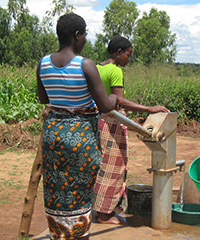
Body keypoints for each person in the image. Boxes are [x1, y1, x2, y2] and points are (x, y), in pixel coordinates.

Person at [37, 13, 117, 240]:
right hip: (80, 138)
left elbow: (44, 98)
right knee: (80, 192)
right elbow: (105, 105)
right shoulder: (85, 65)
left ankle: (59, 235)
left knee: (55, 189)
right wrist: (115, 96)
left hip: (53, 135)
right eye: (84, 35)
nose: (85, 40)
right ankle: (79, 235)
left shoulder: (43, 63)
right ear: (76, 35)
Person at [93, 36, 169, 224]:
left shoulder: (96, 67)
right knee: (115, 167)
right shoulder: (115, 70)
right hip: (112, 123)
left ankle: (99, 209)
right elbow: (118, 100)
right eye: (128, 54)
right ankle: (105, 214)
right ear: (119, 53)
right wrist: (149, 109)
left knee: (101, 167)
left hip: (96, 121)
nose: (128, 58)